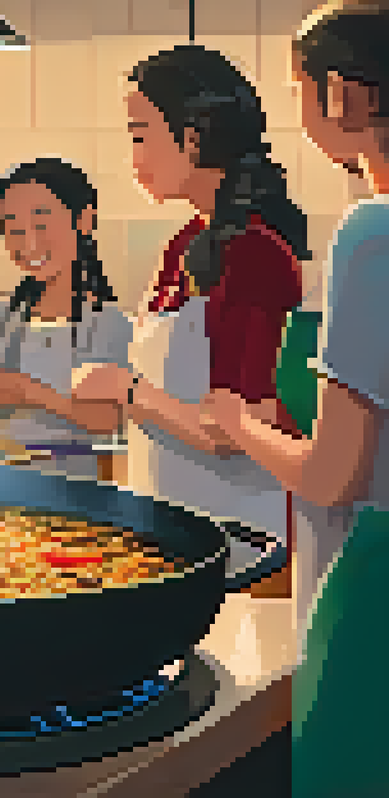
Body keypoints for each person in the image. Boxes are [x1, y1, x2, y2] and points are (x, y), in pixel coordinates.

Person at [196, 4, 389, 793]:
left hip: (373, 586)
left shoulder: (370, 234)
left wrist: (240, 423)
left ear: (341, 95)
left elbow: (333, 476)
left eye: (300, 89)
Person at [73, 44, 308, 545]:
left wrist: (125, 388)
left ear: (193, 138)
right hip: (174, 520)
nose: (133, 158)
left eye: (140, 136)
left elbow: (237, 427)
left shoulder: (255, 256)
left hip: (243, 536)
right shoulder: (183, 246)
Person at [0, 158, 130, 477]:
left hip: (71, 485)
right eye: (14, 229)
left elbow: (109, 419)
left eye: (42, 225)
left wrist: (30, 393)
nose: (28, 242)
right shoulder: (1, 319)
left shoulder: (107, 324)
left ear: (84, 221)